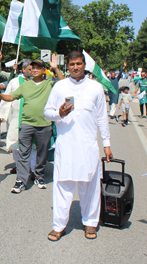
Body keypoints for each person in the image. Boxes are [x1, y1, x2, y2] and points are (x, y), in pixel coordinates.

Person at [43, 51, 113, 241]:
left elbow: (102, 118)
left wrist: (106, 143)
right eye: (72, 64)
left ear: (84, 65)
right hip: (66, 146)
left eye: (79, 64)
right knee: (62, 187)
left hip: (88, 145)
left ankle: (90, 223)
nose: (75, 67)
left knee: (89, 185)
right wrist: (59, 113)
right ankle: (58, 225)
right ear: (68, 66)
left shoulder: (96, 88)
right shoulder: (59, 87)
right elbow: (47, 112)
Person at [0, 55, 64, 192]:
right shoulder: (25, 85)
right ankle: (20, 180)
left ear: (44, 71)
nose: (35, 70)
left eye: (39, 68)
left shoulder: (49, 83)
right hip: (26, 123)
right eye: (33, 68)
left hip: (44, 124)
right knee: (23, 152)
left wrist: (56, 69)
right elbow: (11, 97)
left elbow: (64, 83)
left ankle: (39, 176)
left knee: (41, 153)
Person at [0, 59, 33, 175]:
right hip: (16, 117)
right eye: (30, 69)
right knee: (15, 142)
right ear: (23, 69)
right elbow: (7, 97)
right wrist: (2, 115)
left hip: (32, 118)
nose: (32, 72)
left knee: (32, 144)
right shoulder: (14, 82)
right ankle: (18, 165)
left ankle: (31, 168)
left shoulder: (37, 82)